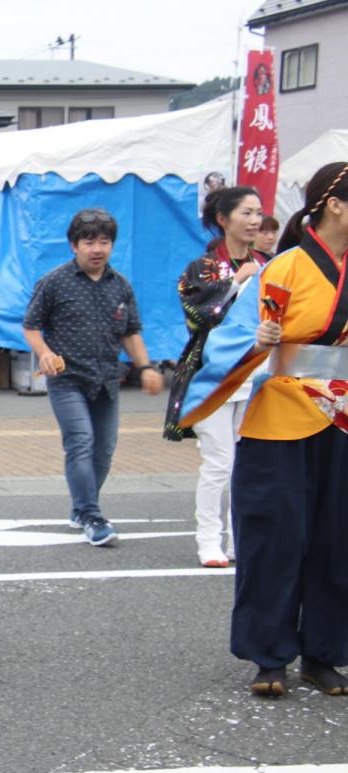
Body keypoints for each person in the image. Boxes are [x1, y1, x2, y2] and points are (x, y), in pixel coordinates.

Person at [179, 161, 348, 698]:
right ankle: (269, 655)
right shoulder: (283, 269)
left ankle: (323, 654)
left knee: (336, 539)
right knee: (276, 537)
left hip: (342, 419)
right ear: (335, 204)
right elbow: (229, 342)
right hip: (279, 413)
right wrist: (259, 340)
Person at [22, 208, 163, 547]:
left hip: (106, 379)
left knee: (105, 450)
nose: (97, 248)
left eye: (104, 241)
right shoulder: (55, 281)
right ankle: (91, 514)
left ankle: (82, 506)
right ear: (74, 245)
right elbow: (31, 326)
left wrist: (145, 367)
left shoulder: (121, 286)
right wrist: (44, 353)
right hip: (67, 378)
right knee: (81, 441)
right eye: (89, 241)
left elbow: (131, 331)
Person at [163, 187, 266, 567]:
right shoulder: (201, 268)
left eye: (258, 213)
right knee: (219, 461)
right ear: (223, 219)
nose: (255, 220)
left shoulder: (269, 265)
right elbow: (198, 316)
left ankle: (241, 538)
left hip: (253, 373)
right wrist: (237, 283)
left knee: (246, 463)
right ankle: (209, 540)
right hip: (210, 375)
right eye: (246, 213)